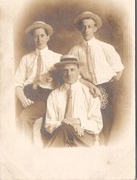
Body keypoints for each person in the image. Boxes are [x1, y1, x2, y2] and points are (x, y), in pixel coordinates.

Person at [68, 11, 124, 143]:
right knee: (89, 118)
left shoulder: (105, 47)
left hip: (107, 87)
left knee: (107, 118)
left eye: (89, 26)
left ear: (95, 28)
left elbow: (119, 69)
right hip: (87, 87)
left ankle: (106, 144)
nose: (86, 30)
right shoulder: (75, 50)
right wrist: (90, 85)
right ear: (80, 29)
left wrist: (111, 85)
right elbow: (74, 74)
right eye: (83, 26)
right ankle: (92, 144)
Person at [41, 55, 103, 147]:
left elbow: (97, 125)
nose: (69, 74)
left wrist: (78, 122)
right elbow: (49, 125)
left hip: (83, 137)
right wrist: (68, 125)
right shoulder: (54, 95)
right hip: (61, 135)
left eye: (72, 70)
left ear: (79, 71)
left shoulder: (90, 93)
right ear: (61, 73)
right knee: (65, 128)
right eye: (65, 70)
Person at [15, 21, 62, 141]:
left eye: (42, 35)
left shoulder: (57, 57)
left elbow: (66, 78)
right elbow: (17, 82)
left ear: (48, 37)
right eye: (36, 36)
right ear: (32, 38)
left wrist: (54, 77)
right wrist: (22, 98)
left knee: (24, 118)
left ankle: (25, 150)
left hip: (44, 96)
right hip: (26, 94)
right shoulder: (26, 58)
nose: (39, 39)